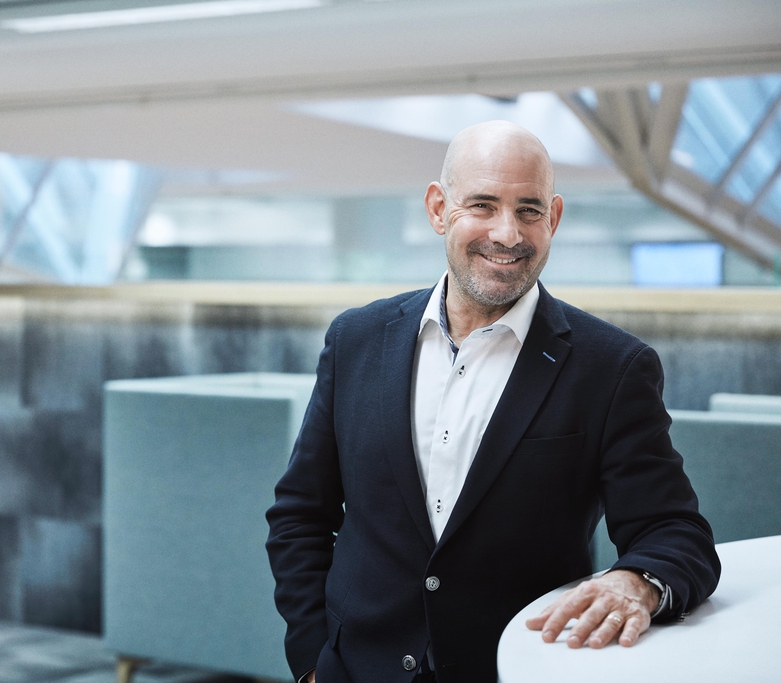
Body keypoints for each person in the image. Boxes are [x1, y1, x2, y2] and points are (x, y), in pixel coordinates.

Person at [265, 121, 720, 683]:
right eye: (482, 205)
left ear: (553, 218)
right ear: (439, 209)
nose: (507, 234)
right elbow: (300, 516)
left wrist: (636, 583)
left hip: (514, 670)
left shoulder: (612, 367)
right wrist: (313, 661)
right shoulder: (356, 339)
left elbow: (676, 532)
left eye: (529, 210)